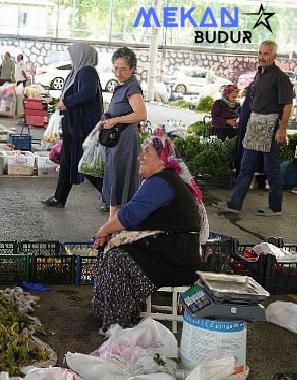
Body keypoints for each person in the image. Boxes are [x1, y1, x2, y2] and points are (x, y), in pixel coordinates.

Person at [93, 135, 208, 330]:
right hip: (167, 252)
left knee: (117, 258)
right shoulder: (162, 180)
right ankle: (109, 315)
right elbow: (132, 217)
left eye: (148, 152)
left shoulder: (163, 182)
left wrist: (103, 231)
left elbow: (129, 215)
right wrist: (108, 234)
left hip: (176, 260)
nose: (141, 157)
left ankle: (119, 323)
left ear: (162, 159)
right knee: (112, 249)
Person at [215, 40, 293, 216]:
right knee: (245, 166)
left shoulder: (281, 78)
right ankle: (234, 203)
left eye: (266, 54)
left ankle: (275, 207)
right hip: (254, 123)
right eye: (260, 53)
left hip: (271, 125)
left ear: (274, 56)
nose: (262, 57)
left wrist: (282, 130)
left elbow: (288, 105)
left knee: (272, 169)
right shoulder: (259, 74)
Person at [42, 43, 104, 208]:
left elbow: (87, 93)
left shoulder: (87, 72)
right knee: (67, 161)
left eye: (73, 55)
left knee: (87, 165)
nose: (71, 58)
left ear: (81, 55)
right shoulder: (77, 71)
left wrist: (67, 102)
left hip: (83, 127)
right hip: (73, 126)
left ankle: (111, 198)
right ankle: (59, 198)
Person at [102, 47, 147, 219]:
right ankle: (114, 227)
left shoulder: (132, 87)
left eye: (123, 69)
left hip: (125, 142)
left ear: (132, 69)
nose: (118, 72)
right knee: (116, 180)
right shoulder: (122, 86)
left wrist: (115, 120)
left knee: (121, 181)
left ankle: (114, 227)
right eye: (116, 68)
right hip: (117, 141)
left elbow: (141, 114)